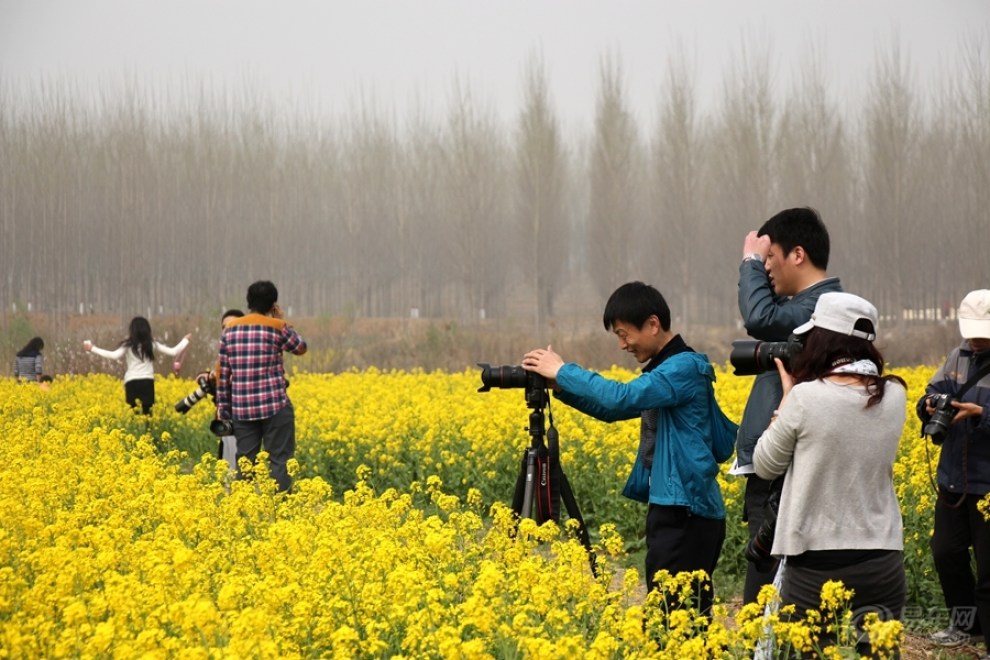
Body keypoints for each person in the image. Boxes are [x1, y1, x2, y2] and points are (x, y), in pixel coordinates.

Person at [521, 281, 736, 615]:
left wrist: (564, 370)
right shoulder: (666, 370)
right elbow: (613, 410)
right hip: (676, 510)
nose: (622, 345)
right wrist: (559, 386)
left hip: (687, 514)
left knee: (674, 621)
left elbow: (622, 396)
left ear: (653, 324)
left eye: (624, 334)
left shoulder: (682, 368)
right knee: (677, 620)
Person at [752, 292, 907, 655]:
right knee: (880, 652)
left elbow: (765, 464)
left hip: (814, 566)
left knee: (815, 651)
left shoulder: (806, 398)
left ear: (822, 340)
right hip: (882, 559)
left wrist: (787, 398)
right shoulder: (895, 394)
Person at [734, 207, 843, 604]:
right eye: (759, 262)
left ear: (797, 255)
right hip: (779, 464)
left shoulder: (826, 306)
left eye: (768, 258)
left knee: (769, 592)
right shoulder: (810, 306)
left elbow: (759, 317)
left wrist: (747, 260)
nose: (764, 270)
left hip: (787, 471)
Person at [918, 289, 990, 650]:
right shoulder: (957, 356)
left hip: (988, 485)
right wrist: (928, 405)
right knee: (946, 553)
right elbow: (933, 390)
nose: (976, 338)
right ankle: (966, 626)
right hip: (953, 479)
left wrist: (982, 414)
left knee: (989, 569)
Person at [216, 281, 307, 493]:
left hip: (242, 409)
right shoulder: (276, 327)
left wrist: (224, 409)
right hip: (274, 405)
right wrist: (280, 321)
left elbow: (223, 375)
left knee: (245, 462)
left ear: (249, 302)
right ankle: (281, 507)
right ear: (273, 303)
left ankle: (242, 510)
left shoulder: (229, 330)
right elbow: (301, 348)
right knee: (280, 460)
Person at [83, 317, 191, 415]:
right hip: (147, 382)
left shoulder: (128, 345)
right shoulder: (152, 344)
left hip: (132, 382)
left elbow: (113, 355)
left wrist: (93, 348)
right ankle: (147, 435)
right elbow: (173, 352)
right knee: (147, 415)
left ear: (132, 331)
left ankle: (136, 436)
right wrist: (185, 340)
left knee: (134, 414)